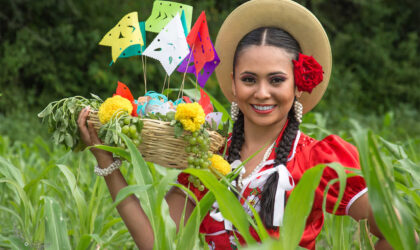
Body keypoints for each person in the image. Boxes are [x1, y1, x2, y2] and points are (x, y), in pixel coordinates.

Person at [77, 0, 392, 249]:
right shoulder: (209, 160)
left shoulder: (318, 160)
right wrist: (109, 164)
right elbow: (158, 242)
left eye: (277, 80)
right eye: (249, 79)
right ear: (233, 83)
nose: (262, 92)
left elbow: (397, 234)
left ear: (299, 85)